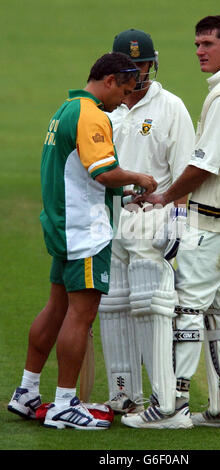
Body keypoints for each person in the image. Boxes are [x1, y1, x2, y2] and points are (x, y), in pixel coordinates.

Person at [128, 15, 220, 430]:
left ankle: (172, 406)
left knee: (186, 306)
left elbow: (205, 163)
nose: (199, 51)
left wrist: (164, 195)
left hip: (219, 217)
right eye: (196, 44)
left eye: (208, 44)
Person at [7, 52, 157, 431]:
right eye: (123, 90)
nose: (124, 100)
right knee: (81, 314)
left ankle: (26, 391)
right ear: (108, 80)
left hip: (62, 224)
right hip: (84, 232)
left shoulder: (65, 109)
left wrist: (124, 195)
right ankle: (63, 404)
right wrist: (141, 179)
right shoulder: (92, 115)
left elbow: (79, 175)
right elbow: (103, 172)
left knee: (56, 307)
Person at [98, 29, 196, 428]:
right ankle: (124, 395)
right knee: (113, 306)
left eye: (142, 65)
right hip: (111, 222)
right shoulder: (106, 110)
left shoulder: (171, 107)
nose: (136, 73)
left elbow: (186, 173)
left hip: (152, 220)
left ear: (152, 64)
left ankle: (167, 403)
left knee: (151, 308)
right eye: (128, 66)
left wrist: (178, 225)